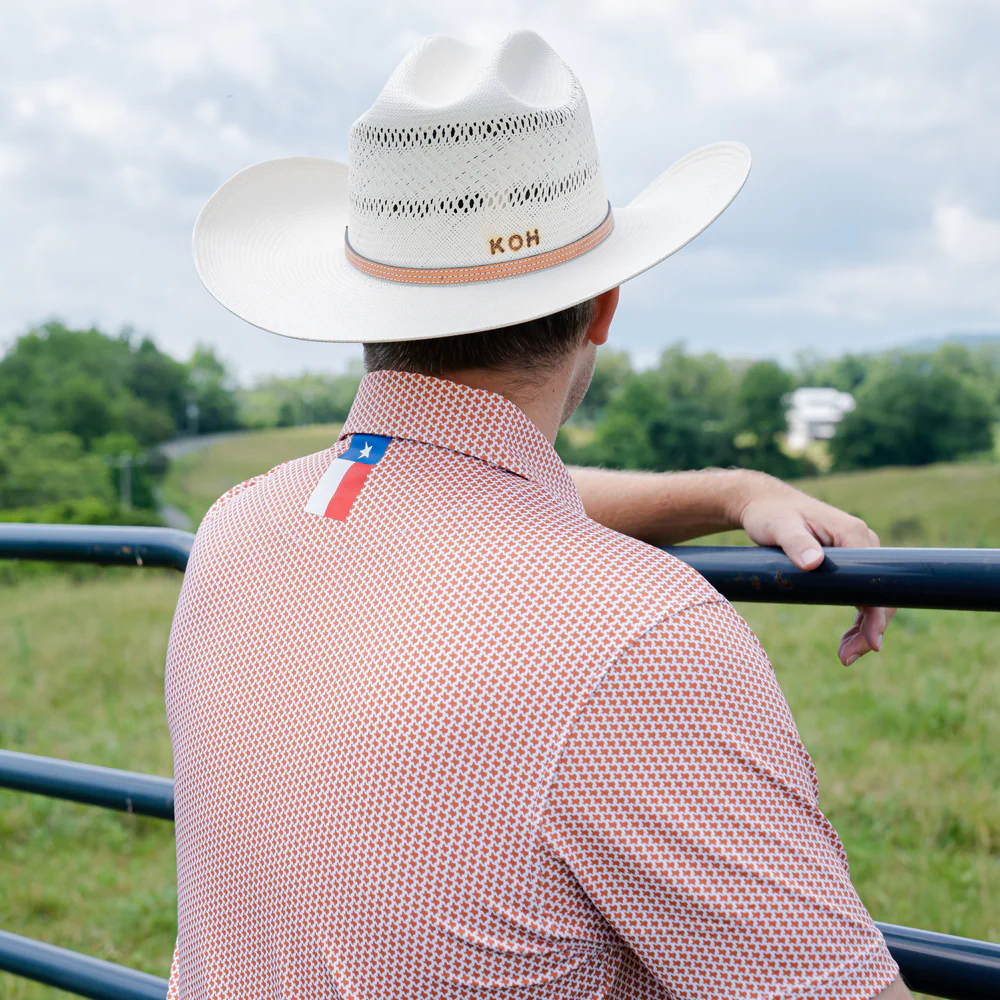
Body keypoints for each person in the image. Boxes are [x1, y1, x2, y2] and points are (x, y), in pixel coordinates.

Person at [167, 29, 908, 1000]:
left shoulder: (237, 527)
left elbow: (455, 487)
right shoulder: (639, 639)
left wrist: (729, 491)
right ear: (603, 303)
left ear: (364, 304)